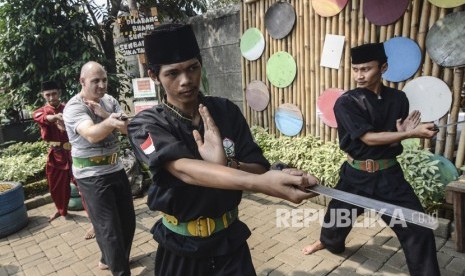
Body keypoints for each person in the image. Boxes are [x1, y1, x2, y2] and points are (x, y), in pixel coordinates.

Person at [127, 23, 318, 275]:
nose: (186, 81)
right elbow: (184, 170)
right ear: (154, 76)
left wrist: (230, 164)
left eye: (193, 68)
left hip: (230, 243)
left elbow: (258, 166)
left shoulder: (225, 110)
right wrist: (260, 184)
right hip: (181, 249)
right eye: (173, 74)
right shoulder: (147, 124)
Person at [301, 43, 440, 276]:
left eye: (365, 69)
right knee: (338, 215)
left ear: (383, 67)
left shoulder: (398, 99)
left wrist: (401, 134)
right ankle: (329, 242)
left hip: (390, 177)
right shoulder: (346, 102)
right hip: (356, 175)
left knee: (418, 227)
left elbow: (391, 142)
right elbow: (368, 138)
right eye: (355, 69)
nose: (359, 75)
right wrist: (408, 133)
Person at [63, 61, 136, 276]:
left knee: (128, 222)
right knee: (109, 229)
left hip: (115, 167)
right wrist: (113, 122)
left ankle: (109, 259)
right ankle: (120, 271)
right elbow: (92, 134)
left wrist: (106, 115)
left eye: (104, 80)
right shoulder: (74, 107)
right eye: (96, 81)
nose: (102, 85)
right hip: (91, 175)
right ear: (82, 82)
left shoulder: (109, 102)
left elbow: (128, 129)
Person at [33, 81, 73, 222]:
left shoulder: (69, 108)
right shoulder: (41, 111)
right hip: (56, 154)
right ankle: (61, 210)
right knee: (56, 185)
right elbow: (43, 118)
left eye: (54, 94)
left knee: (84, 185)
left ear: (59, 93)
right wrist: (55, 117)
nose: (51, 97)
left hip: (73, 151)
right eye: (48, 95)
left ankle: (94, 217)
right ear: (43, 95)